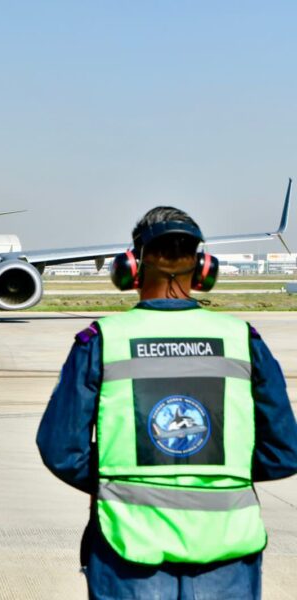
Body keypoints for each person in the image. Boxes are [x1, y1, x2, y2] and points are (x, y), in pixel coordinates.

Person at [36, 206, 297, 600]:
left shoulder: (102, 341)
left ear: (130, 269)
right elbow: (285, 452)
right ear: (205, 269)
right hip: (227, 556)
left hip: (128, 552)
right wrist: (218, 468)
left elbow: (61, 451)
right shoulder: (243, 339)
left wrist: (119, 477)